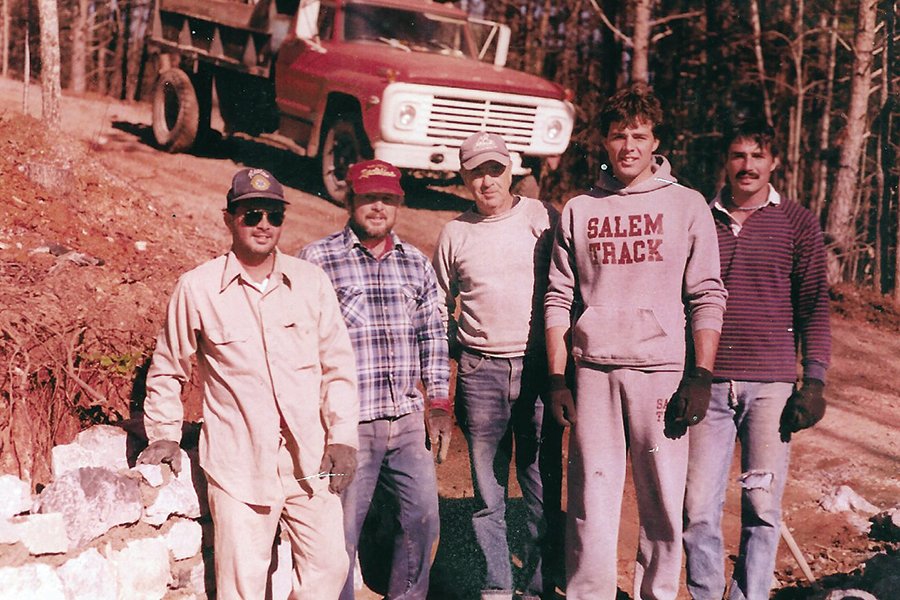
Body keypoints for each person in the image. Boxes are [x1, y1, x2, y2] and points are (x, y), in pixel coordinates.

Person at [138, 168, 360, 600]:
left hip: (310, 458)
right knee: (242, 584)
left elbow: (337, 366)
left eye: (273, 215)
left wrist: (343, 437)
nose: (263, 224)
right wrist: (165, 434)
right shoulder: (197, 288)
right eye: (251, 214)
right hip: (239, 461)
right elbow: (168, 366)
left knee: (329, 567)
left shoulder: (311, 283)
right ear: (229, 219)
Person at [543, 85, 728, 600]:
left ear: (656, 142)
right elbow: (559, 298)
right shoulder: (579, 209)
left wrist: (701, 374)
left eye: (639, 136)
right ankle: (589, 593)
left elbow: (708, 295)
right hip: (594, 370)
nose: (628, 146)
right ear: (603, 141)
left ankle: (658, 593)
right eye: (618, 135)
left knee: (664, 500)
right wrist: (558, 378)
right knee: (589, 498)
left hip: (661, 372)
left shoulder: (687, 204)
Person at [682, 119, 831, 600]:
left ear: (774, 162)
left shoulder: (797, 221)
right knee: (697, 507)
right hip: (710, 384)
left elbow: (814, 305)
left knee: (761, 507)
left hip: (771, 391)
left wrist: (814, 382)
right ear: (725, 161)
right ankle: (705, 594)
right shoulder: (700, 217)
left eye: (757, 156)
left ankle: (749, 596)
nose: (747, 166)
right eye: (738, 155)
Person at [298, 159, 450, 600]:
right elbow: (302, 346)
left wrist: (438, 402)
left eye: (387, 198)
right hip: (349, 424)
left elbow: (433, 336)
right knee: (340, 531)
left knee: (421, 521)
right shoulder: (316, 259)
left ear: (400, 202)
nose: (378, 206)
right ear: (350, 199)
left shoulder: (417, 265)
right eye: (368, 197)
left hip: (406, 419)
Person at [433, 132, 562, 600]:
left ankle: (537, 586)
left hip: (535, 371)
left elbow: (567, 288)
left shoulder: (542, 216)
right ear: (464, 177)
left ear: (512, 170)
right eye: (475, 172)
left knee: (540, 488)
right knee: (488, 494)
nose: (486, 181)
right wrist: (460, 355)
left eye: (494, 169)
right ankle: (495, 585)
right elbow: (436, 306)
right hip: (479, 374)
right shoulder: (455, 232)